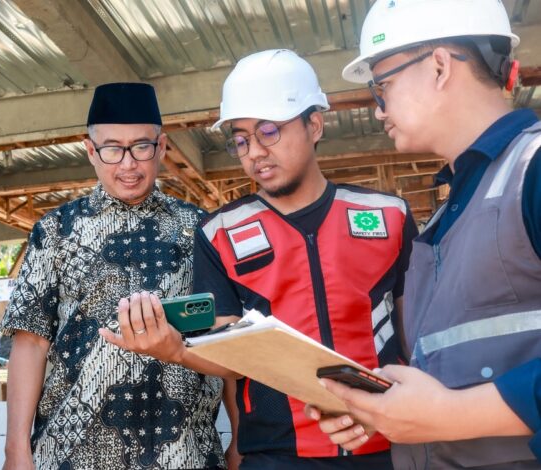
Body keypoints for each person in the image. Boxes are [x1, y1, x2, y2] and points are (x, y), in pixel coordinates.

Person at [101, 49, 417, 469]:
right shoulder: (220, 233)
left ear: (315, 124)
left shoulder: (388, 215)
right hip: (277, 456)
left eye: (269, 131)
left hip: (391, 445)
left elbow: (419, 338)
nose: (254, 152)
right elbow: (230, 360)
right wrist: (173, 349)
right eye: (241, 139)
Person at [307, 0, 541, 467]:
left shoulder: (531, 170)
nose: (378, 110)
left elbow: (456, 408)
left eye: (383, 87)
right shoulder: (449, 214)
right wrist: (385, 411)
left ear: (438, 67)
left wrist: (453, 415)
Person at [1, 82, 225, 469]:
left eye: (141, 146)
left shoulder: (202, 229)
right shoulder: (55, 231)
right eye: (111, 148)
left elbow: (229, 337)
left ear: (163, 146)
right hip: (73, 454)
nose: (128, 164)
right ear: (90, 150)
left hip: (184, 452)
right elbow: (31, 343)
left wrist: (240, 440)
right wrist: (15, 449)